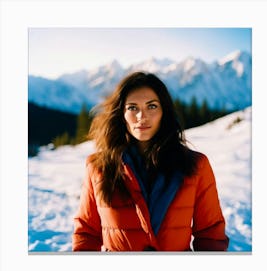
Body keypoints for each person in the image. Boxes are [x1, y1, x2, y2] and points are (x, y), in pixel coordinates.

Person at [72, 71, 229, 251]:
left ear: (164, 111)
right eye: (132, 108)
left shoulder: (196, 165)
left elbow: (211, 234)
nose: (142, 117)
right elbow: (86, 232)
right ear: (121, 113)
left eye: (152, 106)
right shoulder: (98, 167)